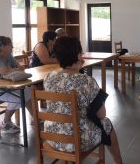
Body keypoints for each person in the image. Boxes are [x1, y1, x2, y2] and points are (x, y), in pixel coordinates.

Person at [43, 36, 123, 164]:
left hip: (53, 136)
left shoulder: (49, 77)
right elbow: (101, 114)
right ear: (78, 56)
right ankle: (119, 162)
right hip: (76, 141)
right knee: (106, 123)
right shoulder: (86, 81)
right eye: (80, 53)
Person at [0, 36, 33, 134]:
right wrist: (14, 69)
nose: (12, 47)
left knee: (27, 91)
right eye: (10, 45)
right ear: (2, 47)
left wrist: (15, 69)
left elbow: (20, 68)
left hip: (2, 87)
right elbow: (4, 71)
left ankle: (35, 118)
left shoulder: (8, 56)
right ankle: (5, 123)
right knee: (19, 97)